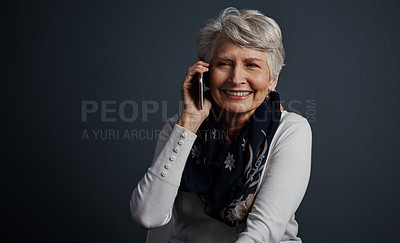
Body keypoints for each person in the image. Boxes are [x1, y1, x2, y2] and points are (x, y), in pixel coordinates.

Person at [130, 7, 312, 243]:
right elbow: (147, 216)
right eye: (224, 63)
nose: (236, 78)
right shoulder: (179, 127)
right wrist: (189, 124)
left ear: (272, 80)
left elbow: (261, 235)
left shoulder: (291, 130)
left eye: (252, 65)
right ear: (204, 73)